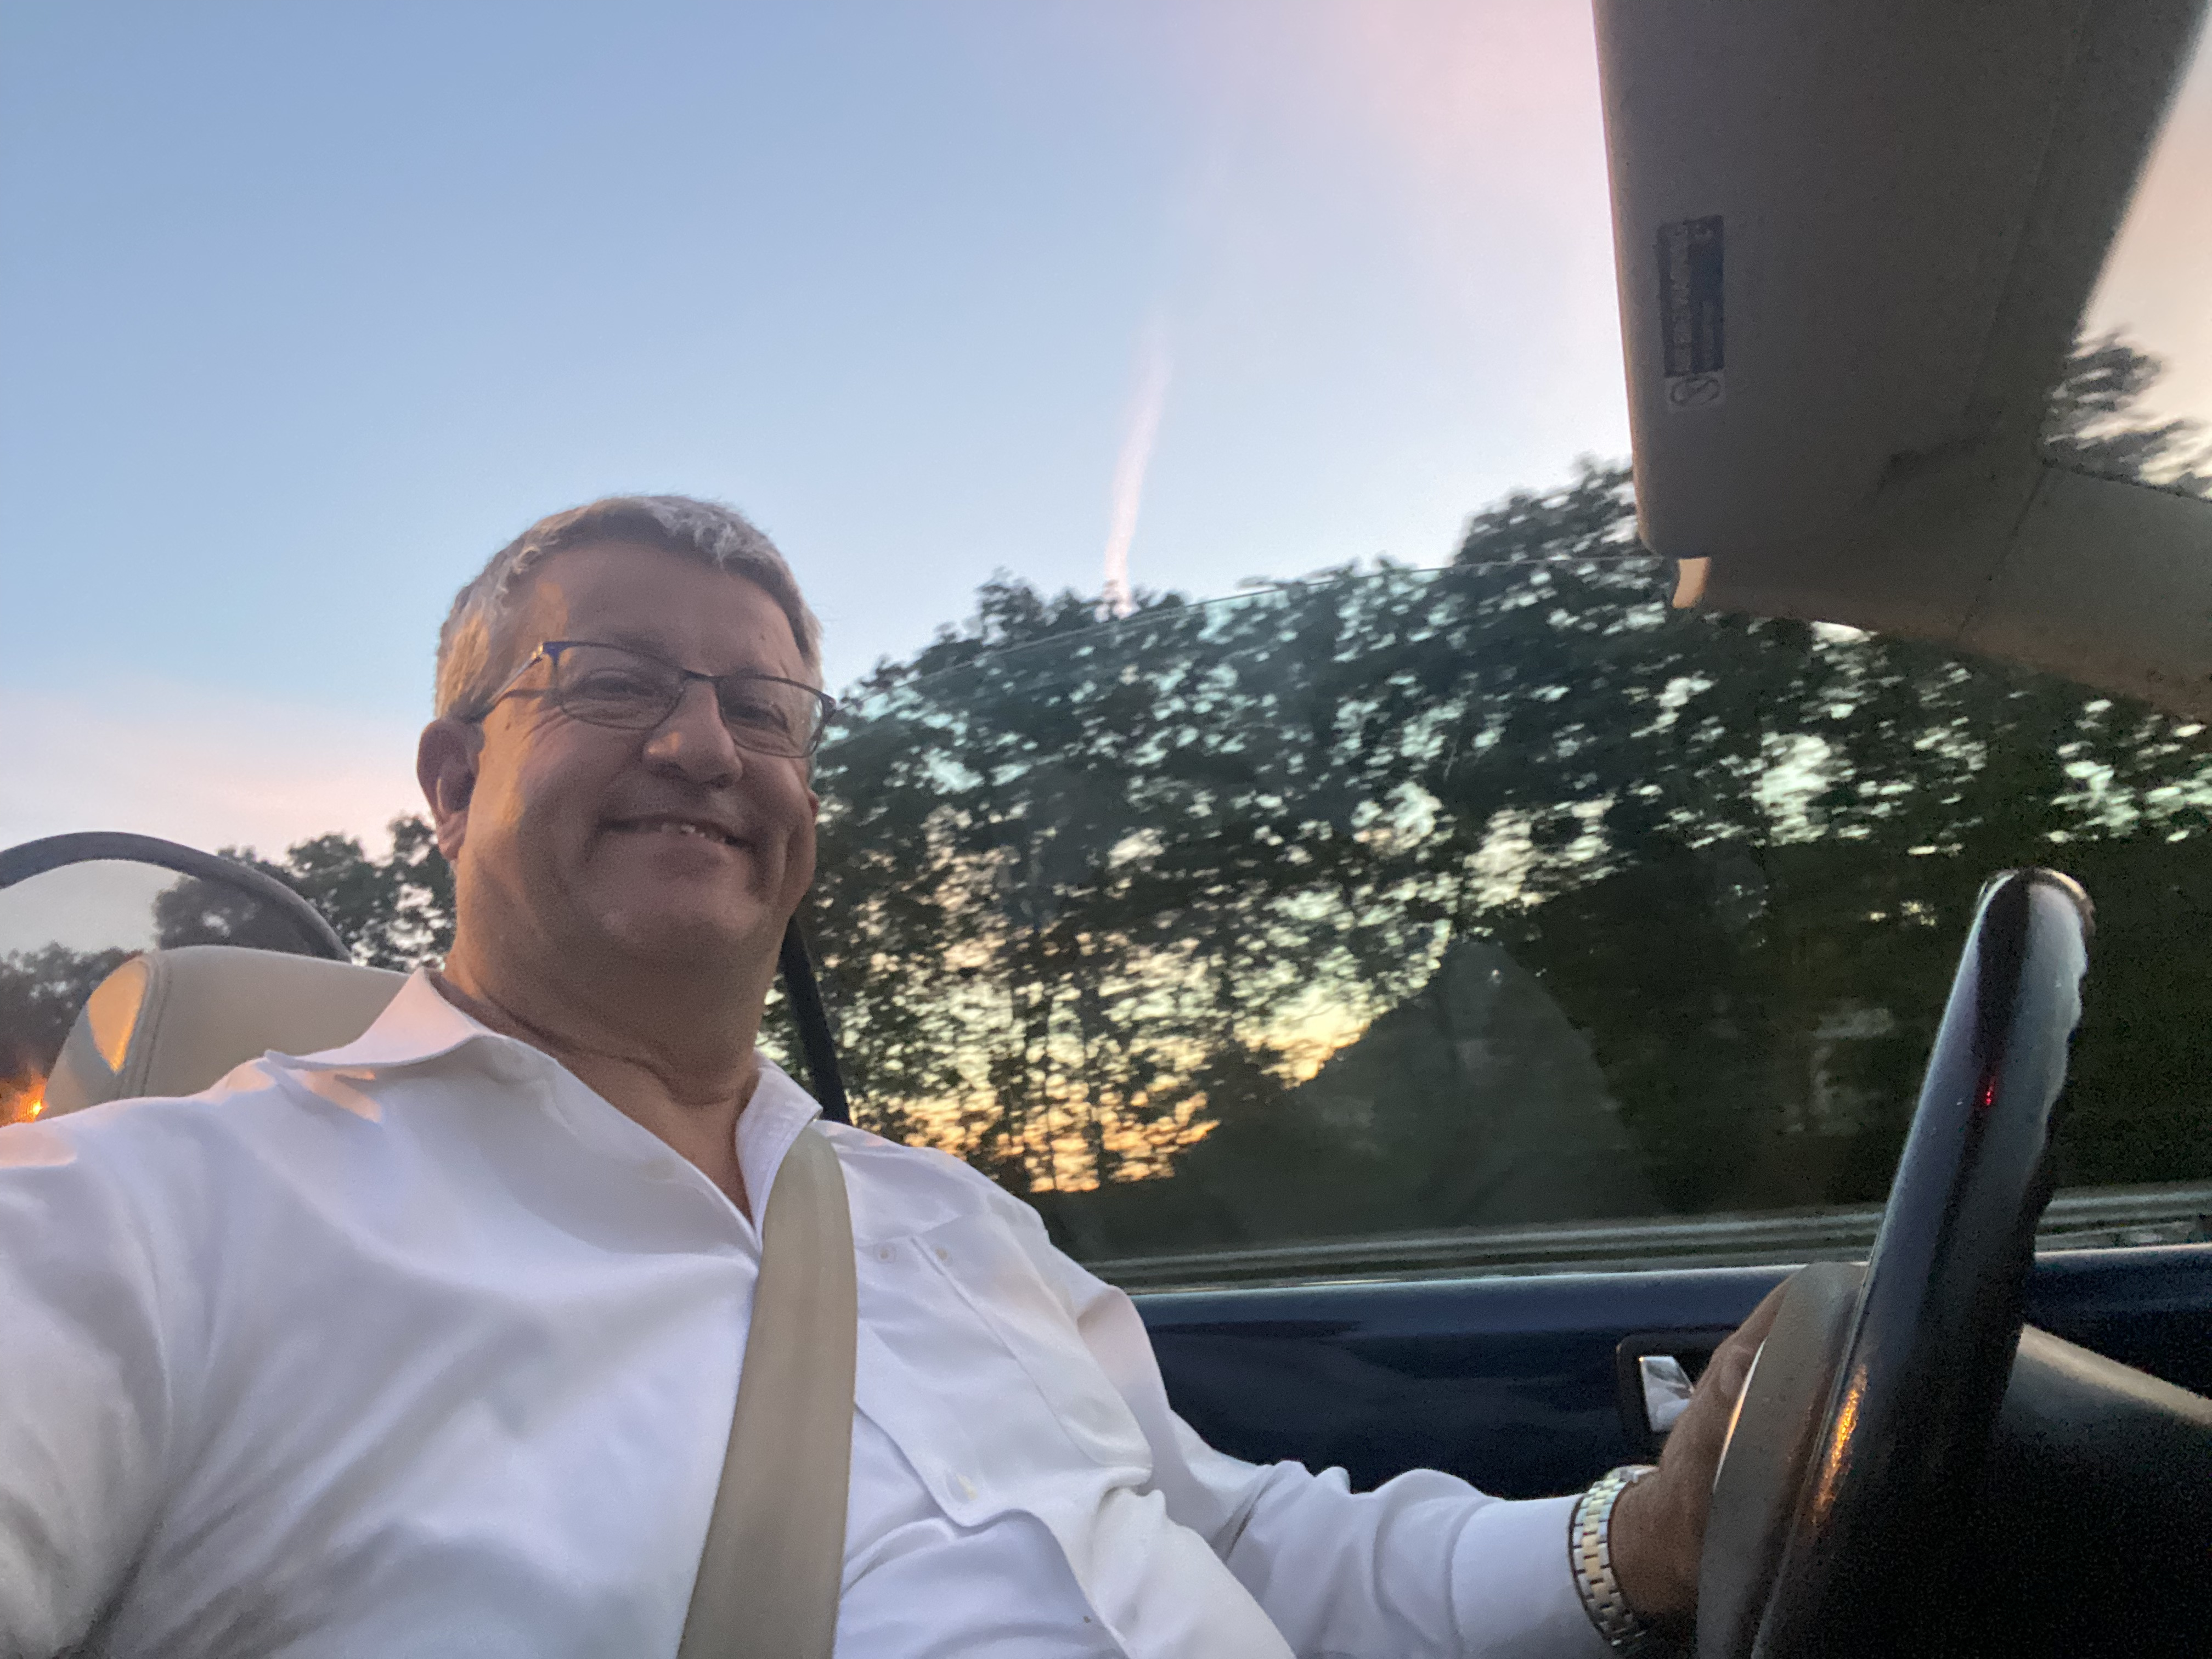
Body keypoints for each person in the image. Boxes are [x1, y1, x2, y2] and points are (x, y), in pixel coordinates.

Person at [0, 496, 1780, 1657]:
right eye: (612, 682)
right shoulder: (153, 1224)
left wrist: (1644, 1542)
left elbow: (1235, 1541)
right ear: (454, 785)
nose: (703, 744)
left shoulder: (946, 1219)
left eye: (764, 711)